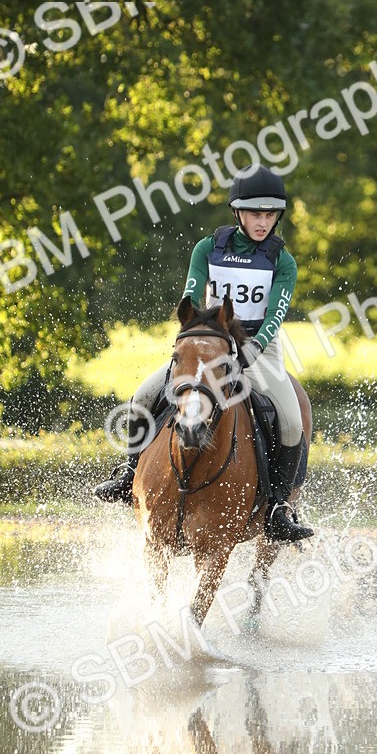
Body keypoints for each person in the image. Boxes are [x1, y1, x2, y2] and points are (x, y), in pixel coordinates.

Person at [94, 163, 314, 542]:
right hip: (209, 342)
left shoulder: (283, 260)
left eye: (269, 215)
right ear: (238, 213)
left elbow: (276, 313)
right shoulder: (209, 248)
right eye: (255, 214)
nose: (262, 222)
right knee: (144, 395)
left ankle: (279, 506)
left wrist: (253, 349)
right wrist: (198, 335)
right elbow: (192, 296)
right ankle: (129, 471)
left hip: (260, 347)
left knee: (292, 421)